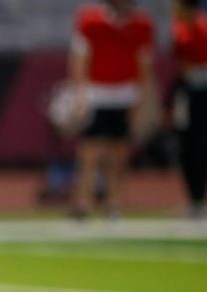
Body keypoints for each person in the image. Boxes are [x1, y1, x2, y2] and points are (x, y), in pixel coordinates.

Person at [68, 0, 156, 220]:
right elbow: (79, 58)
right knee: (91, 150)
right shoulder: (91, 20)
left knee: (119, 151)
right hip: (96, 92)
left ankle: (114, 203)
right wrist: (79, 92)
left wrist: (141, 99)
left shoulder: (142, 25)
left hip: (125, 92)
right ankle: (83, 202)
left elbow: (144, 62)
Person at [173, 0, 207, 219]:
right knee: (188, 147)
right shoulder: (181, 29)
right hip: (189, 92)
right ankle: (195, 200)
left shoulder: (201, 29)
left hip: (203, 93)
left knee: (202, 146)